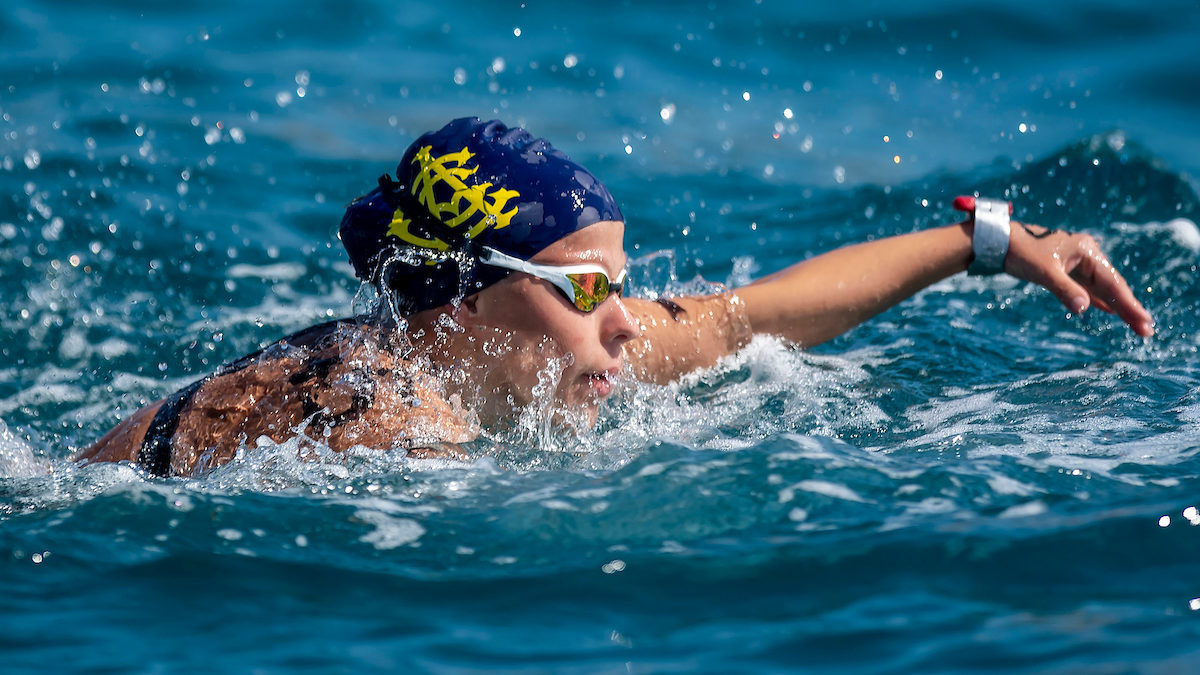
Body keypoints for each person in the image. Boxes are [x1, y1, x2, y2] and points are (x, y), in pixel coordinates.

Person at [77, 117, 1155, 477]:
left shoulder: (518, 352)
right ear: (466, 294)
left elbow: (753, 315)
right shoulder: (388, 426)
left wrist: (989, 242)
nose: (627, 323)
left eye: (622, 290)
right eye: (587, 290)